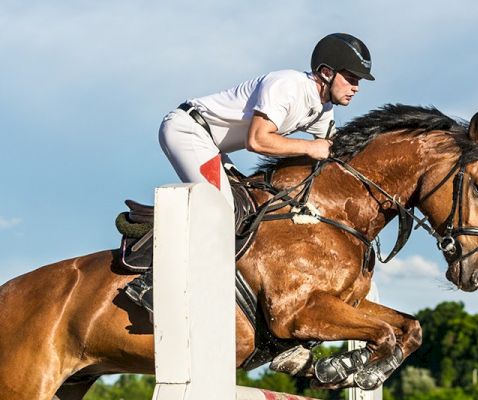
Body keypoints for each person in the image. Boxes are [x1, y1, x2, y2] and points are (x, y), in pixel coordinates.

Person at [125, 33, 375, 317]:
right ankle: (152, 285)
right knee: (222, 210)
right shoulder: (288, 86)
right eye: (351, 78)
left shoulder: (322, 109)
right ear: (326, 73)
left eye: (358, 81)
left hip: (211, 145)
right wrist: (310, 146)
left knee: (252, 207)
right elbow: (257, 141)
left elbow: (332, 152)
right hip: (188, 130)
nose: (356, 87)